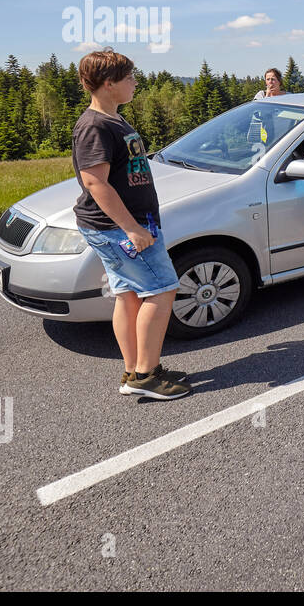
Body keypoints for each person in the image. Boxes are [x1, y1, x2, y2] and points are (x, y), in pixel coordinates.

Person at [71, 49, 189, 400]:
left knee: (128, 294)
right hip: (121, 230)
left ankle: (134, 369)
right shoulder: (94, 125)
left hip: (125, 226)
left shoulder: (112, 118)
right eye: (129, 78)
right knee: (163, 289)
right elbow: (95, 183)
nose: (135, 83)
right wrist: (132, 230)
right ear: (109, 84)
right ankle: (146, 375)